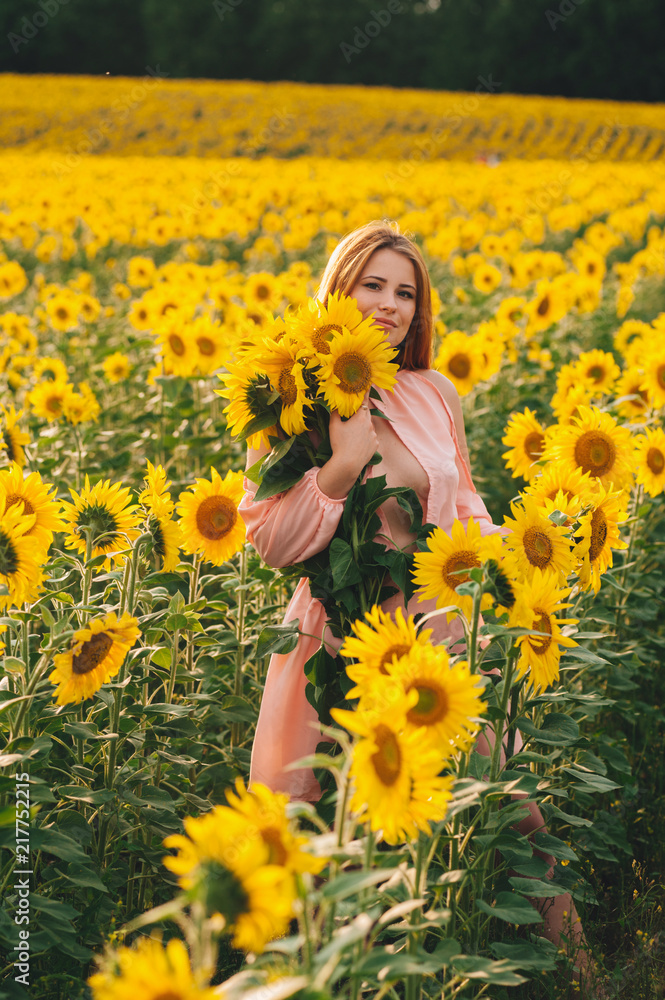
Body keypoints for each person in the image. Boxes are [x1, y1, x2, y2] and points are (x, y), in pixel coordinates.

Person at [239, 220, 592, 985]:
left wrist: (517, 563)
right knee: (320, 834)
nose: (391, 305)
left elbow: (460, 505)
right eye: (374, 284)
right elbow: (269, 539)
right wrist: (343, 465)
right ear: (339, 286)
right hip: (334, 642)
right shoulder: (292, 396)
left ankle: (590, 975)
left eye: (405, 292)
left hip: (430, 634)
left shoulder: (433, 393)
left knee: (509, 807)